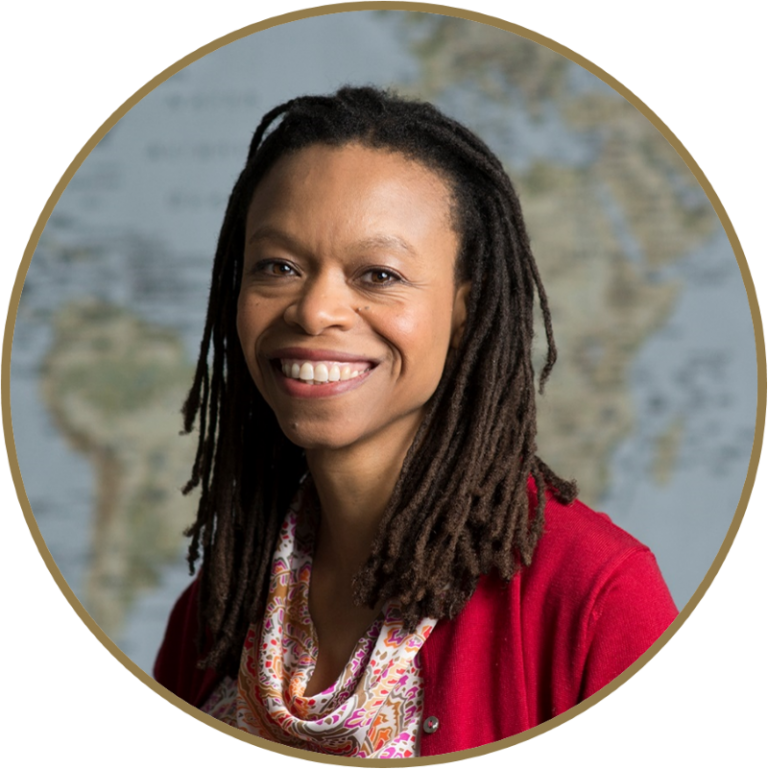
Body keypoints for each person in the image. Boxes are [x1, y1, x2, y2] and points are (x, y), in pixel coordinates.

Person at [153, 86, 678, 757]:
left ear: (466, 308)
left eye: (378, 274)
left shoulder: (596, 597)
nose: (314, 310)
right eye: (278, 266)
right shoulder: (218, 609)